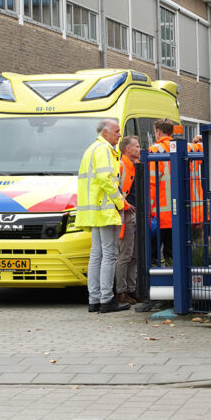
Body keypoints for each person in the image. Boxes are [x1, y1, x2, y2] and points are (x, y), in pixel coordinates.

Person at [76, 119, 131, 314]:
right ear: (106, 132)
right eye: (116, 132)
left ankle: (95, 299)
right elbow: (106, 180)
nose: (119, 135)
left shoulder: (91, 149)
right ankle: (107, 299)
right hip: (106, 210)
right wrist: (120, 202)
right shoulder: (104, 150)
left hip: (94, 210)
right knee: (109, 254)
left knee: (97, 254)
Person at [116, 135, 141, 304]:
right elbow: (114, 188)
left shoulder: (133, 165)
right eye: (137, 146)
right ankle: (121, 292)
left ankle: (131, 290)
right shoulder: (122, 165)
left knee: (133, 255)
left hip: (133, 213)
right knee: (126, 255)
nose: (140, 149)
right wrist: (125, 204)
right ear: (128, 149)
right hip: (126, 215)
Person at [148, 118, 175, 267]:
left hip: (158, 213)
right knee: (172, 253)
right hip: (177, 213)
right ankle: (174, 281)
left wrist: (148, 210)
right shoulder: (183, 147)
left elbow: (151, 183)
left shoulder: (154, 150)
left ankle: (156, 284)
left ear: (158, 132)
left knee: (153, 254)